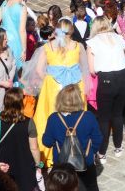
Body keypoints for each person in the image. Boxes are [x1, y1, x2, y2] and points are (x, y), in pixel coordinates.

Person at [28, 19, 88, 166]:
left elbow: (38, 70)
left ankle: (51, 152)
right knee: (76, 117)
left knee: (50, 117)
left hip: (53, 87)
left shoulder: (48, 47)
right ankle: (76, 150)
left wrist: (50, 79)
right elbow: (84, 68)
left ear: (56, 31)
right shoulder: (78, 46)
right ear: (72, 31)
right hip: (75, 86)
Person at [42, 85, 102, 190]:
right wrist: (91, 152)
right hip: (86, 162)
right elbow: (98, 139)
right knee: (91, 187)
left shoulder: (54, 118)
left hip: (62, 166)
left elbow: (47, 142)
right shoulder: (88, 116)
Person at [87, 16, 125, 163]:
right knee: (117, 115)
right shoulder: (118, 38)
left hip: (106, 79)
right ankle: (118, 147)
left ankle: (102, 152)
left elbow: (92, 70)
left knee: (104, 118)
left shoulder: (92, 42)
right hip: (123, 76)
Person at [0, 88, 42, 191]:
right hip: (23, 167)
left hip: (2, 164)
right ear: (21, 102)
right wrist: (39, 165)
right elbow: (34, 148)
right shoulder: (29, 122)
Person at [0, 0, 29, 71]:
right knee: (16, 70)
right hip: (15, 42)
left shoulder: (5, 3)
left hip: (2, 39)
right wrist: (24, 49)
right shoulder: (22, 8)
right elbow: (22, 31)